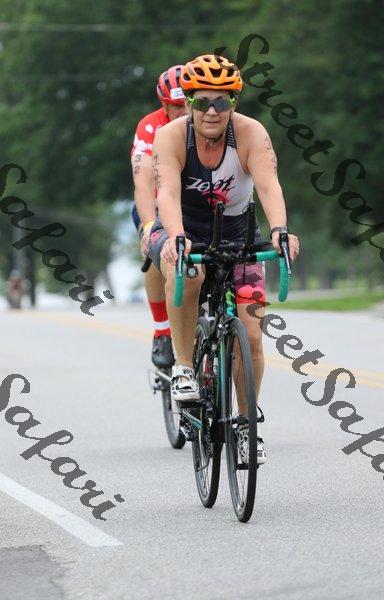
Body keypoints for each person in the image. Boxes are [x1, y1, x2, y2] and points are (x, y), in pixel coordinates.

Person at [148, 54, 300, 464]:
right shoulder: (172, 137)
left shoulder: (251, 134)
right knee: (189, 272)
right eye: (202, 102)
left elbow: (268, 185)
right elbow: (167, 194)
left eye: (221, 102)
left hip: (238, 232)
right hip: (183, 228)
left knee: (251, 335)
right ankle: (184, 367)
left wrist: (279, 230)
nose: (211, 112)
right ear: (189, 102)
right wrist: (176, 236)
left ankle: (248, 427)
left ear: (234, 102)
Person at [130, 65, 188, 368]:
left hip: (193, 202)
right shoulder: (150, 126)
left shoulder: (208, 121)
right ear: (164, 105)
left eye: (187, 102)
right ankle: (162, 330)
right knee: (155, 252)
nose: (183, 111)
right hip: (155, 202)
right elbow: (142, 181)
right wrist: (149, 225)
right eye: (175, 106)